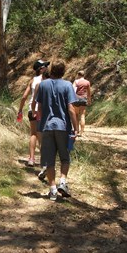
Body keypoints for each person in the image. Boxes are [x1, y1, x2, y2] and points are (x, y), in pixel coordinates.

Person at [36, 60, 78, 201]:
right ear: (64, 70)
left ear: (52, 69)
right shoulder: (67, 85)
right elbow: (71, 109)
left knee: (49, 160)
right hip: (63, 127)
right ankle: (63, 182)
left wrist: (41, 123)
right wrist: (76, 127)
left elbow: (39, 108)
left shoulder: (43, 85)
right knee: (65, 157)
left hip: (47, 127)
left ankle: (53, 189)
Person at [17, 59, 50, 167]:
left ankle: (31, 159)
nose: (47, 67)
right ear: (41, 69)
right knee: (42, 135)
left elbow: (24, 97)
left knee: (33, 134)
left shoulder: (32, 80)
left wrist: (20, 110)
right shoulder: (48, 80)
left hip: (32, 110)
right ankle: (44, 161)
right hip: (43, 110)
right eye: (45, 66)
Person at [72, 70, 91, 137]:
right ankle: (82, 133)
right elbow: (88, 92)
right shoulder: (87, 82)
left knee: (76, 115)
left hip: (76, 99)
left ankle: (76, 131)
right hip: (83, 99)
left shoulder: (76, 81)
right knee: (82, 115)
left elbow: (72, 90)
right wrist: (89, 100)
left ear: (78, 75)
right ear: (83, 75)